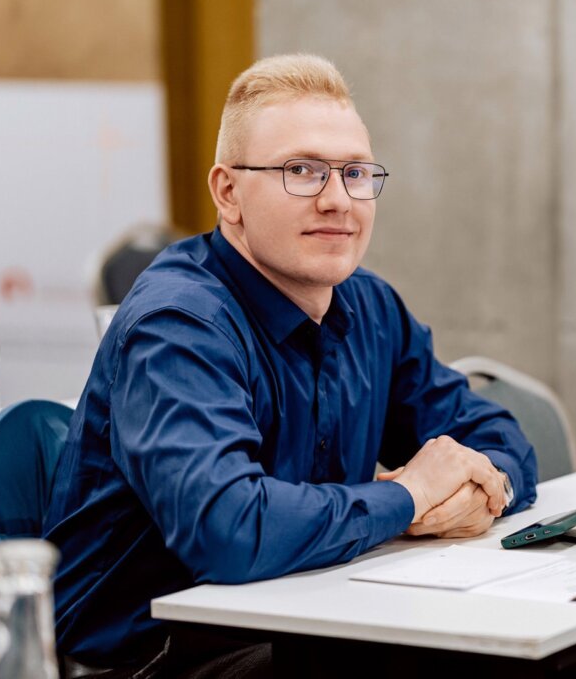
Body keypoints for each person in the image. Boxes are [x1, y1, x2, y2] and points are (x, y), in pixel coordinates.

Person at [43, 54, 539, 676]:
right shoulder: (180, 323)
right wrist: (409, 498)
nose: (338, 200)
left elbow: (498, 439)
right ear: (228, 193)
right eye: (301, 171)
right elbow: (230, 530)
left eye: (356, 173)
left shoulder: (371, 305)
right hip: (161, 655)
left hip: (311, 615)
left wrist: (480, 489)